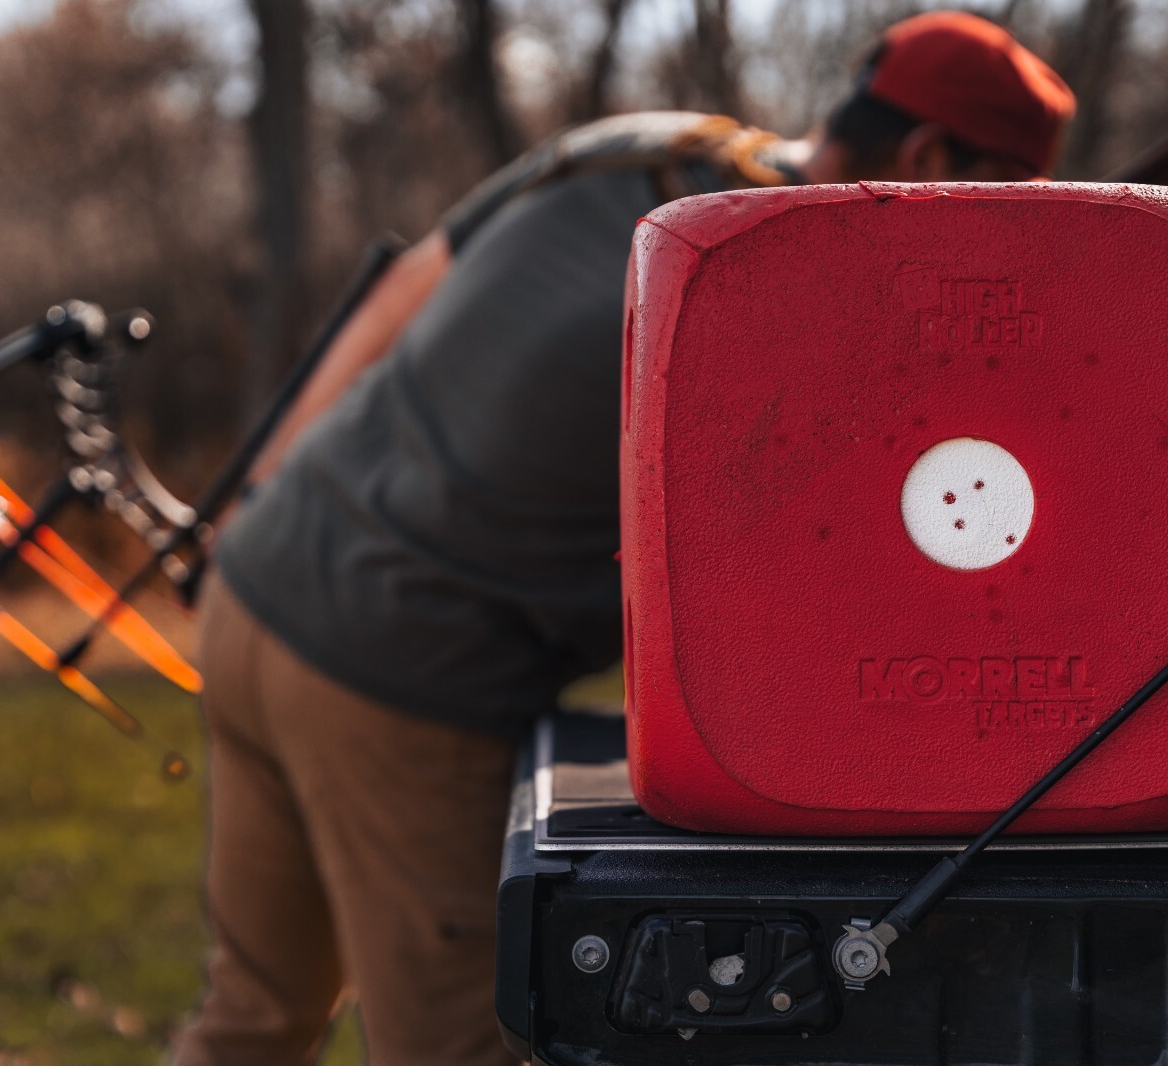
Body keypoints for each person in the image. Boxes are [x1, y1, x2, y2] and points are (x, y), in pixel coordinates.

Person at [172, 12, 1074, 1065]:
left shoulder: (652, 144)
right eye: (1009, 196)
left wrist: (250, 502)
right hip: (399, 680)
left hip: (257, 584)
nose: (1009, 229)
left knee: (253, 1014)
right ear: (928, 161)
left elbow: (396, 294)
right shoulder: (801, 314)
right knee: (471, 1043)